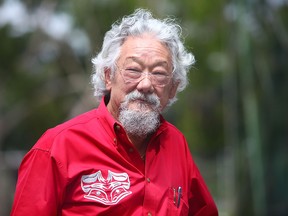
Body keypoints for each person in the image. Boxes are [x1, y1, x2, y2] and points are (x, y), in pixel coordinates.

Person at [11, 8, 218, 216]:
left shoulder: (176, 144)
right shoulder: (55, 148)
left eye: (159, 73)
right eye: (133, 70)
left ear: (173, 88)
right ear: (108, 76)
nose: (145, 84)